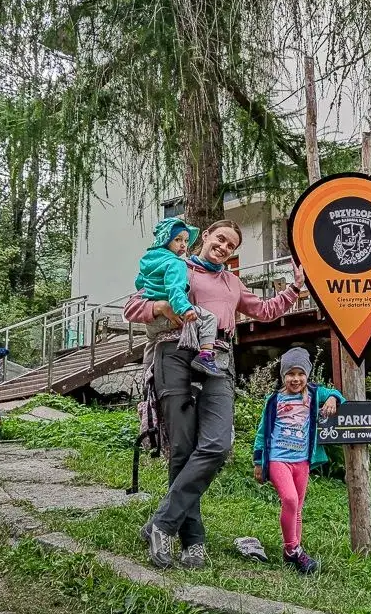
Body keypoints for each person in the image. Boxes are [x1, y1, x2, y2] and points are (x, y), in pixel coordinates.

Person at [124, 219, 305, 570]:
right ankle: (193, 541)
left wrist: (293, 289)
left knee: (217, 445)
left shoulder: (232, 282)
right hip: (173, 352)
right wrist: (161, 308)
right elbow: (132, 308)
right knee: (182, 449)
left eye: (231, 246)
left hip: (217, 357)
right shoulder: (173, 263)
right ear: (205, 236)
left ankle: (161, 524)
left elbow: (265, 311)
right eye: (219, 239)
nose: (223, 248)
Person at [252, 347, 344, 575]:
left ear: (308, 375)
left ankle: (291, 553)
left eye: (300, 374)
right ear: (283, 376)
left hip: (302, 460)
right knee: (290, 500)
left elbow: (339, 395)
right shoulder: (274, 400)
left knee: (298, 508)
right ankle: (294, 550)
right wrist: (258, 460)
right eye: (290, 374)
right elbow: (263, 431)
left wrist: (332, 398)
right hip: (278, 459)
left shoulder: (314, 394)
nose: (296, 379)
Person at [134, 217, 224, 377]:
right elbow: (175, 289)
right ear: (166, 239)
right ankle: (205, 356)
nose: (183, 244)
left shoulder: (148, 260)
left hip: (152, 320)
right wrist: (185, 308)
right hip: (172, 316)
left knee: (151, 343)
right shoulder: (176, 263)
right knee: (209, 318)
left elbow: (140, 283)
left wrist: (152, 297)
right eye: (178, 239)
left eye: (186, 240)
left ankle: (147, 376)